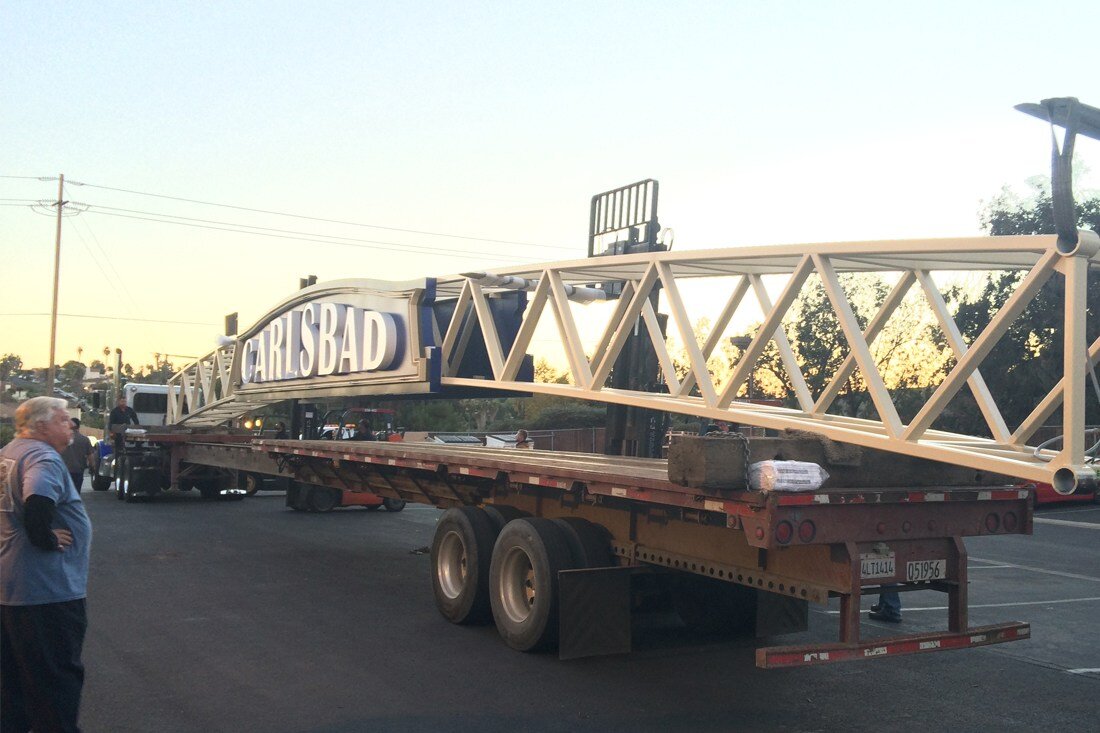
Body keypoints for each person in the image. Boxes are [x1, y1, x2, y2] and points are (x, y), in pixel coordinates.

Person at [1, 396, 93, 732]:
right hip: (46, 592)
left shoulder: (8, 454)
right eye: (63, 419)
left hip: (11, 591)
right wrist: (47, 537)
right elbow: (38, 497)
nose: (70, 425)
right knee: (55, 683)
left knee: (14, 687)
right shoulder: (43, 457)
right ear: (40, 425)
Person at [60, 418, 94, 492]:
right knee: (76, 492)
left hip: (64, 471)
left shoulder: (62, 439)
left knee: (64, 492)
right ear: (78, 427)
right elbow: (90, 456)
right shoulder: (84, 439)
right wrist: (92, 468)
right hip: (78, 470)